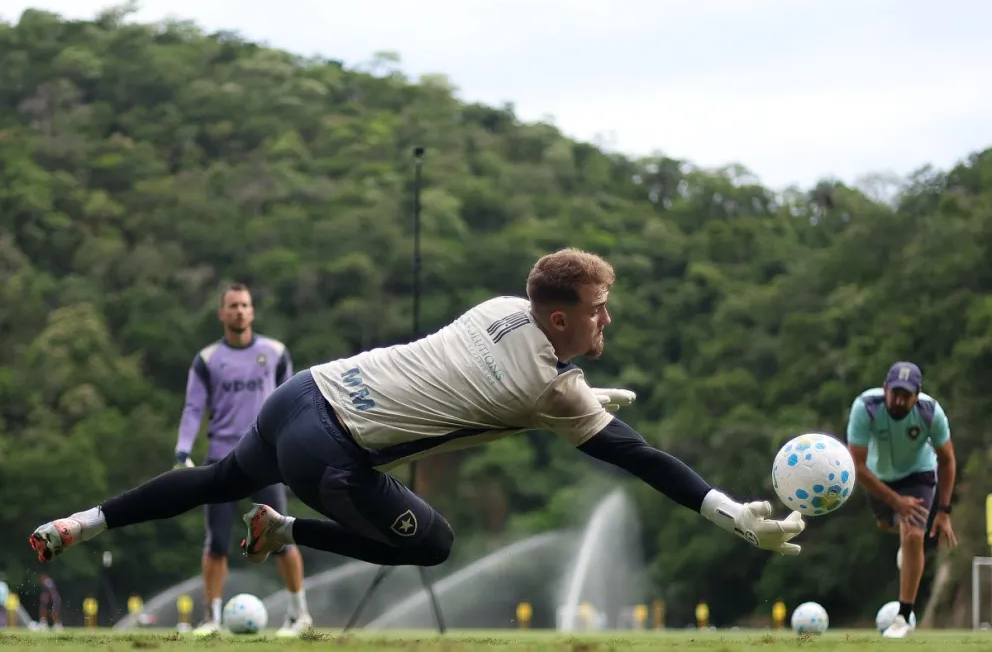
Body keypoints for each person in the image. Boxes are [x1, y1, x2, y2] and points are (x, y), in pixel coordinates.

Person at [29, 249, 805, 596]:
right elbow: (647, 460)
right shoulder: (558, 393)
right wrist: (737, 515)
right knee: (433, 546)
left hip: (302, 389)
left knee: (215, 478)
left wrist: (589, 390)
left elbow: (511, 387)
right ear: (561, 316)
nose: (609, 320)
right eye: (598, 311)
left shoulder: (506, 308)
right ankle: (283, 531)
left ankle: (82, 522)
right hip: (329, 454)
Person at [173, 283, 311, 637]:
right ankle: (212, 619)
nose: (239, 311)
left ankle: (299, 614)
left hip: (265, 456)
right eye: (232, 305)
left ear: (252, 312)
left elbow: (292, 402)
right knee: (216, 542)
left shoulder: (275, 352)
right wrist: (182, 452)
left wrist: (293, 447)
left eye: (245, 305)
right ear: (221, 313)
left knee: (280, 535)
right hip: (222, 457)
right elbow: (192, 408)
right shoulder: (207, 360)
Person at [846, 361, 957, 639]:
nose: (898, 400)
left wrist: (943, 511)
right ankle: (906, 547)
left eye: (906, 395)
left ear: (917, 394)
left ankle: (903, 617)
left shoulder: (931, 413)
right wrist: (895, 501)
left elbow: (947, 460)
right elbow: (856, 465)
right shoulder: (866, 406)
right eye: (894, 392)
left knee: (913, 534)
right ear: (884, 389)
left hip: (918, 474)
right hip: (877, 476)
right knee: (888, 525)